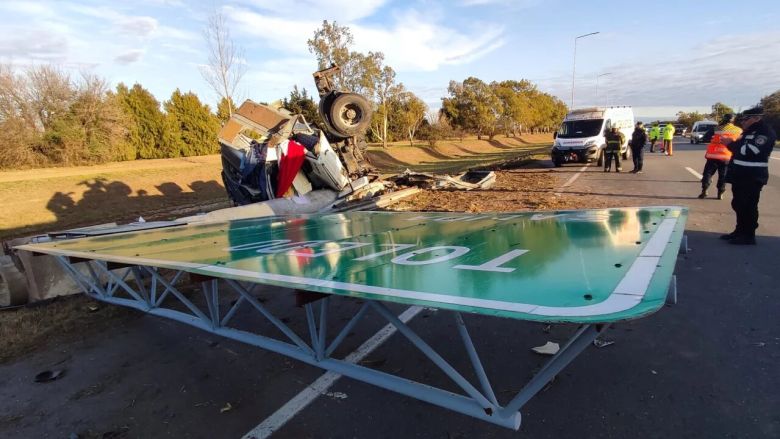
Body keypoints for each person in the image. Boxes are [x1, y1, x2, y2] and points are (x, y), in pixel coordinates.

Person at [720, 106, 776, 245]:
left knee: (748, 206)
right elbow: (740, 149)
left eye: (746, 119)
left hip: (752, 176)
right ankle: (739, 231)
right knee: (738, 204)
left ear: (757, 118)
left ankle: (748, 235)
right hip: (740, 174)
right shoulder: (749, 131)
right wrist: (734, 145)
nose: (743, 122)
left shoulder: (765, 132)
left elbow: (749, 150)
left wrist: (730, 144)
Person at [697, 113, 742, 200]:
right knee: (723, 176)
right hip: (726, 156)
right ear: (733, 120)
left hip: (713, 155)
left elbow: (705, 137)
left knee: (707, 174)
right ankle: (720, 193)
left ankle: (704, 191)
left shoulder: (717, 128)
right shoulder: (739, 130)